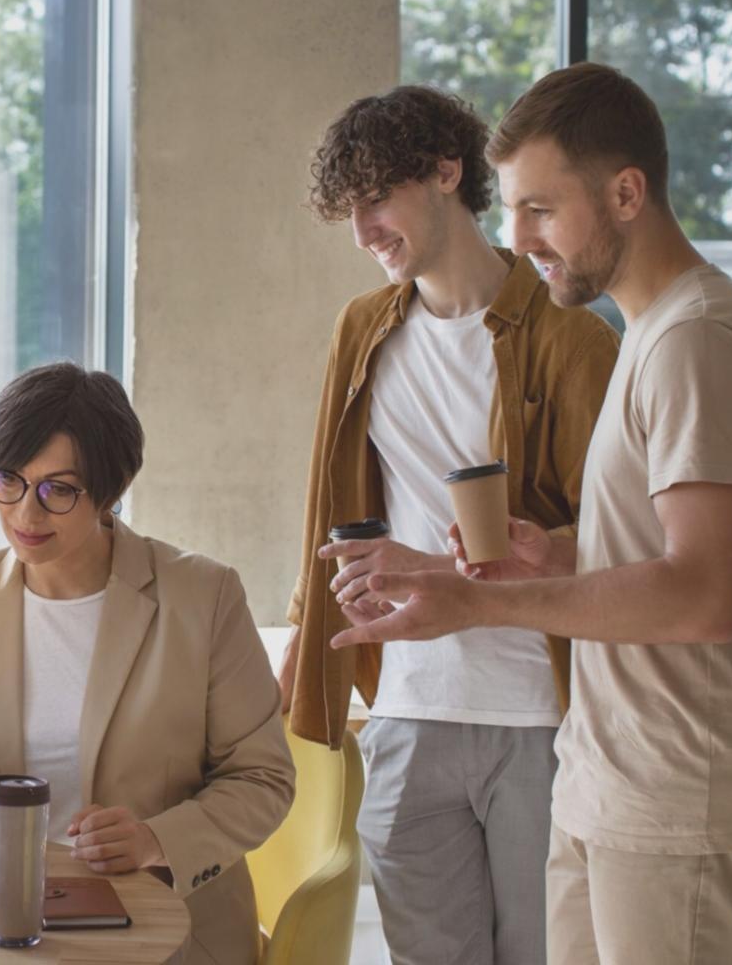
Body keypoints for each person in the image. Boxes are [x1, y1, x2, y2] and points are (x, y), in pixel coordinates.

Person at [332, 63, 732, 965]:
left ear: (625, 192)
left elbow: (704, 594)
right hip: (608, 783)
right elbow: (649, 550)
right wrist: (552, 552)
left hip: (675, 801)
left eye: (540, 209)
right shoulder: (649, 333)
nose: (521, 237)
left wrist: (480, 606)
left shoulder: (697, 341)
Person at [282, 85, 618, 965]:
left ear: (444, 171)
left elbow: (625, 541)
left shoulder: (572, 336)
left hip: (540, 716)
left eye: (374, 201)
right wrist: (299, 642)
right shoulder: (362, 330)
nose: (363, 234)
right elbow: (327, 506)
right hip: (405, 709)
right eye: (346, 213)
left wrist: (446, 562)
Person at [0, 362, 295, 965]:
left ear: (109, 491)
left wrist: (157, 838)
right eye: (8, 481)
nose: (26, 514)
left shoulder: (202, 596)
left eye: (58, 489)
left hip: (160, 926)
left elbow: (263, 779)